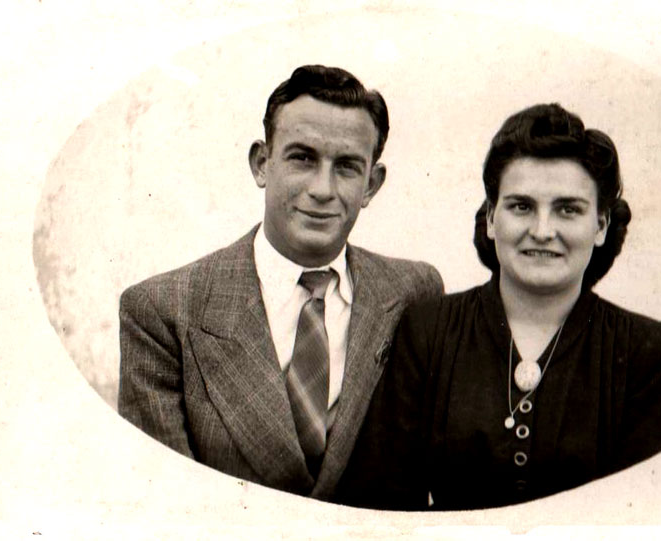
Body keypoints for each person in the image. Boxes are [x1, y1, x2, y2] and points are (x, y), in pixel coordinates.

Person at [337, 103, 661, 510]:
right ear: (491, 218)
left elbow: (654, 514)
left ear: (600, 225)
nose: (542, 231)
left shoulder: (646, 352)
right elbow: (380, 507)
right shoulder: (428, 332)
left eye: (568, 209)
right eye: (522, 206)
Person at [117, 65, 444, 500]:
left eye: (347, 166)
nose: (323, 189)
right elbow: (165, 502)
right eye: (302, 158)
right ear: (261, 164)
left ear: (371, 184)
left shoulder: (412, 293)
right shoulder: (164, 311)